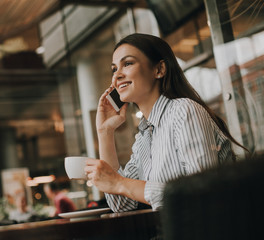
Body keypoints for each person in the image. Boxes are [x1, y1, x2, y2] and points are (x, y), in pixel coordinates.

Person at [84, 33, 248, 212]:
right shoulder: (145, 135)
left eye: (128, 63)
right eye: (114, 69)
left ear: (159, 69)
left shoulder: (184, 111)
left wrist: (119, 182)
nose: (117, 76)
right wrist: (105, 132)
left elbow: (201, 194)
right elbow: (122, 205)